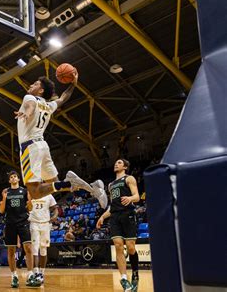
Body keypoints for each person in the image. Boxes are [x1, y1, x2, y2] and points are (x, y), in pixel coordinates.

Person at [14, 74, 107, 208]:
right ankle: (93, 188)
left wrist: (27, 113)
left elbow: (30, 105)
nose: (30, 85)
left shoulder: (29, 97)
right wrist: (73, 84)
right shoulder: (49, 105)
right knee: (56, 184)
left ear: (40, 91)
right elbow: (64, 97)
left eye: (34, 84)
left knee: (34, 192)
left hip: (30, 147)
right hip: (42, 146)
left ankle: (70, 183)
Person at [97, 159, 140, 292]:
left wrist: (130, 199)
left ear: (125, 167)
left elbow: (137, 196)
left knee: (131, 248)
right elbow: (112, 206)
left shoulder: (129, 178)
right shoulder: (110, 185)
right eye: (115, 162)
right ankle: (123, 279)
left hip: (128, 214)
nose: (116, 164)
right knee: (118, 246)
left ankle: (135, 273)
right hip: (115, 216)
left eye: (120, 163)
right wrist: (102, 217)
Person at [0, 171, 40, 288]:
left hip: (23, 222)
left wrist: (30, 200)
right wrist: (4, 198)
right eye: (11, 177)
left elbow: (30, 209)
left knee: (28, 248)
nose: (13, 178)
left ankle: (30, 274)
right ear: (9, 181)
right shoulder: (6, 192)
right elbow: (1, 210)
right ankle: (14, 276)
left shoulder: (24, 191)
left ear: (18, 179)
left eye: (15, 177)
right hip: (10, 224)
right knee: (11, 251)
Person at [29, 193, 58, 284]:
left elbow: (55, 208)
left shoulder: (48, 195)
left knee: (43, 249)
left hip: (45, 223)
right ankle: (36, 272)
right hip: (34, 223)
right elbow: (27, 208)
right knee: (34, 249)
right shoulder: (30, 193)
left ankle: (42, 272)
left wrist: (55, 215)